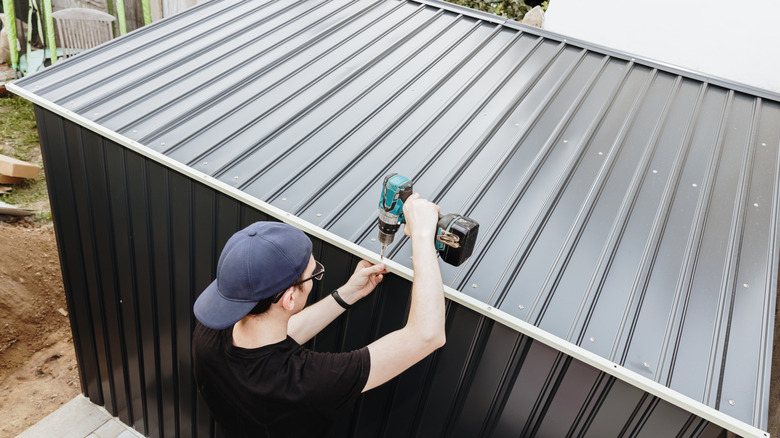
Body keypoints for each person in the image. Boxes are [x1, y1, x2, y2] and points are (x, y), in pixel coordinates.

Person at [191, 193, 446, 437]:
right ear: (289, 298)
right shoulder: (305, 383)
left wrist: (346, 294)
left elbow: (273, 339)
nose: (316, 276)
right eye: (314, 273)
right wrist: (422, 235)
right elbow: (427, 334)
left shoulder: (207, 335)